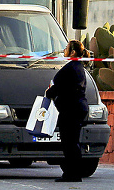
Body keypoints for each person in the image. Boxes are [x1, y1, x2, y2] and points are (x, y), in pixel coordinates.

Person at [45, 40, 89, 183]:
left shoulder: (70, 68)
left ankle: (72, 173)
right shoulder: (79, 67)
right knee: (72, 141)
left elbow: (61, 86)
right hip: (77, 108)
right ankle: (73, 172)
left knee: (69, 142)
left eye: (66, 48)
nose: (64, 51)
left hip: (71, 109)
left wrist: (49, 93)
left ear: (73, 52)